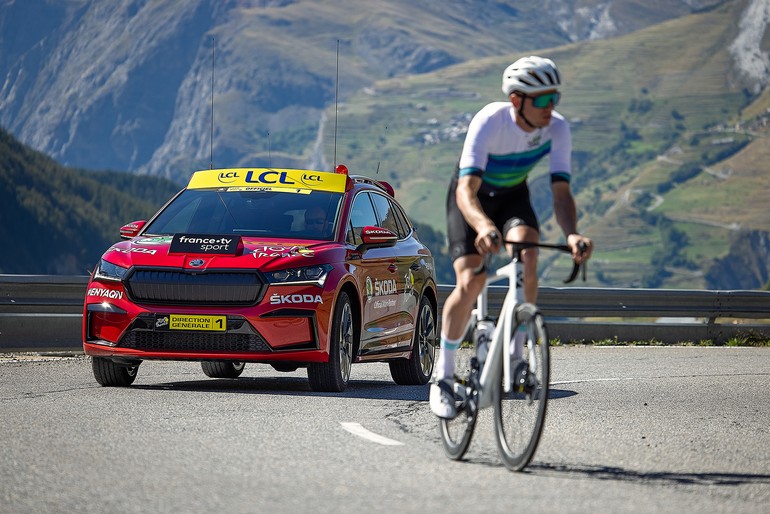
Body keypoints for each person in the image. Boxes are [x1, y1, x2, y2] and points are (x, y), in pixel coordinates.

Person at [430, 56, 594, 418]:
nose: (551, 107)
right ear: (516, 100)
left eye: (555, 98)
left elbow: (561, 193)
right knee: (470, 280)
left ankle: (517, 358)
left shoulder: (558, 128)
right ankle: (443, 376)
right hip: (471, 198)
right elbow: (466, 190)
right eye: (543, 100)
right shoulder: (491, 120)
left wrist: (572, 234)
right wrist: (483, 226)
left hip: (512, 197)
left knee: (528, 254)